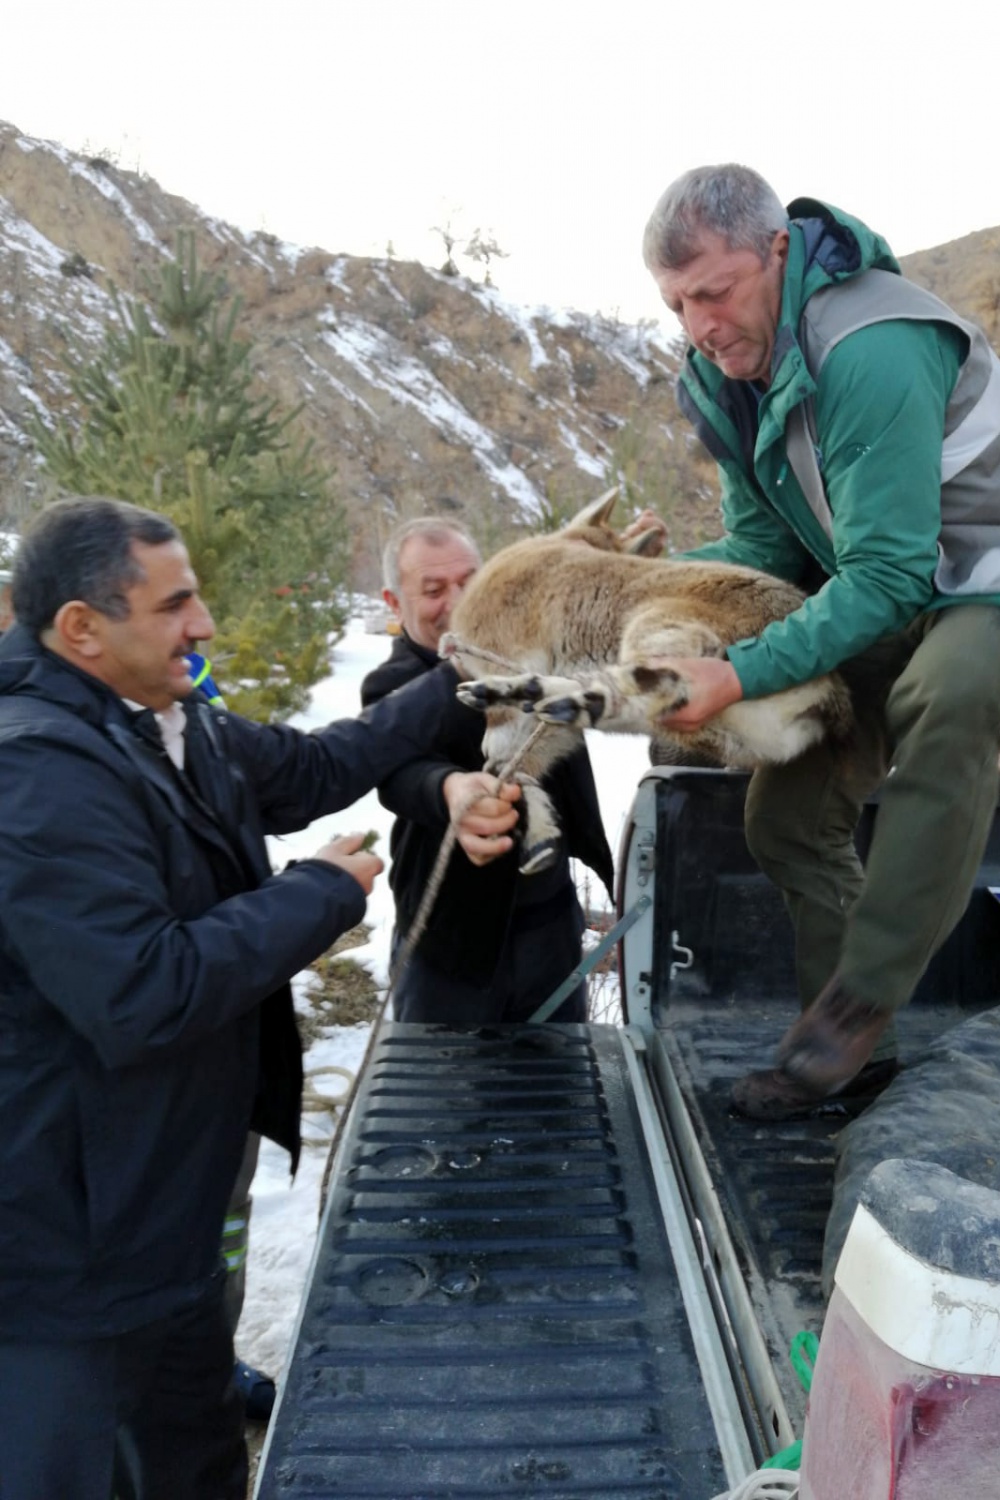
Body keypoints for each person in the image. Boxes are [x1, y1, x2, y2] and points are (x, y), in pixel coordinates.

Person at [0, 495, 492, 1500]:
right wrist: (317, 893)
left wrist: (458, 673)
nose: (205, 625)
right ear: (81, 629)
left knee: (193, 1450)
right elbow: (145, 989)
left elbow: (321, 764)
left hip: (163, 1206)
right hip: (73, 1242)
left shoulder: (173, 724)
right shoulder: (37, 772)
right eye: (175, 604)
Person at [640, 163, 1000, 1121]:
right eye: (679, 304)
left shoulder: (869, 345)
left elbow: (885, 575)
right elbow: (767, 550)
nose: (702, 325)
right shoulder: (732, 376)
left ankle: (857, 1006)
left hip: (983, 585)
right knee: (784, 820)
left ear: (777, 251)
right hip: (904, 587)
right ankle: (845, 1060)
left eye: (716, 292)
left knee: (951, 697)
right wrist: (637, 586)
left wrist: (739, 672)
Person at [362, 517, 614, 1024]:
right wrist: (448, 790)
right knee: (442, 1095)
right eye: (433, 590)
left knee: (558, 1091)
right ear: (394, 603)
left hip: (550, 931)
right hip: (448, 947)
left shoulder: (533, 657)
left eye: (470, 582)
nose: (457, 603)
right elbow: (400, 776)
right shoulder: (390, 687)